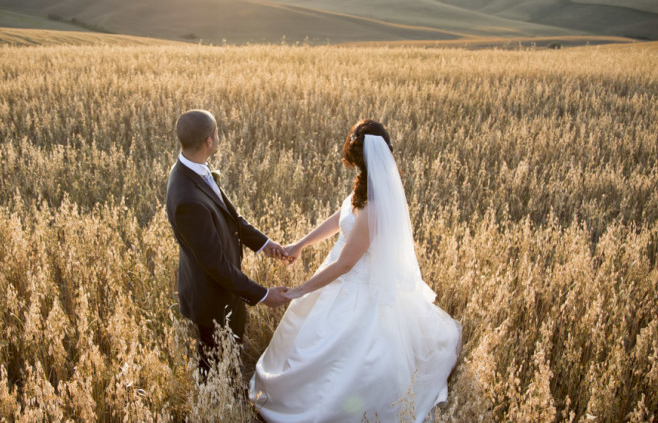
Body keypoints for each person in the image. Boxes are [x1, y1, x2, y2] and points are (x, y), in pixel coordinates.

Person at [249, 119, 462, 422]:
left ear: (358, 157)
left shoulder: (375, 204)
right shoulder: (366, 185)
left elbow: (346, 264)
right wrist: (300, 244)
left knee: (345, 354)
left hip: (358, 285)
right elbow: (341, 216)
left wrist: (299, 290)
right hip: (340, 277)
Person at [166, 109, 291, 376]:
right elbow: (216, 265)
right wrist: (264, 295)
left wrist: (265, 243)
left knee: (227, 359)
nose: (219, 137)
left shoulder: (191, 168)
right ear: (209, 142)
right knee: (216, 369)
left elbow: (230, 216)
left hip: (223, 290)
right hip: (212, 297)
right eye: (217, 133)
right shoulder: (188, 200)